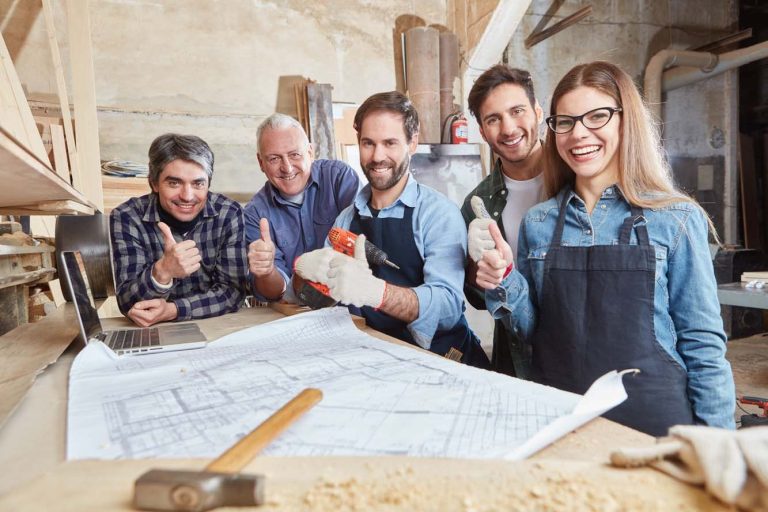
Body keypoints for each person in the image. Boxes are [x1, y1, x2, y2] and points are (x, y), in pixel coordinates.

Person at [469, 61, 735, 435]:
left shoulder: (675, 218)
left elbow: (703, 345)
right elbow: (532, 331)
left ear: (625, 121)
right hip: (561, 420)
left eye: (597, 117)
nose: (579, 134)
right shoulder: (539, 223)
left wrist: (719, 444)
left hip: (656, 426)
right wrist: (503, 278)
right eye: (566, 122)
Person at [295, 91, 490, 369]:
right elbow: (317, 301)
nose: (377, 156)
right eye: (368, 143)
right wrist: (304, 275)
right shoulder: (345, 220)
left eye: (390, 143)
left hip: (443, 361)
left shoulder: (437, 214)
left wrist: (376, 292)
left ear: (412, 143)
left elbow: (447, 307)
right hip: (378, 360)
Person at [110, 133, 249, 327]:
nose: (187, 196)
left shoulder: (229, 213)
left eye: (198, 183)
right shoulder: (127, 217)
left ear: (208, 183)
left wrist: (172, 310)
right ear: (154, 183)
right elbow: (129, 303)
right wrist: (163, 271)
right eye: (174, 183)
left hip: (217, 325)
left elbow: (232, 293)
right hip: (154, 333)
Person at [461, 65, 545, 378]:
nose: (508, 128)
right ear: (482, 132)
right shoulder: (477, 203)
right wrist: (475, 270)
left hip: (579, 352)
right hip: (516, 357)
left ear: (537, 111)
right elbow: (477, 299)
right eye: (493, 119)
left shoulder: (578, 180)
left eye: (517, 111)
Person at [244, 114, 359, 302]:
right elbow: (275, 292)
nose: (287, 168)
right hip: (298, 312)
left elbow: (362, 244)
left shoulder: (339, 178)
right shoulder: (254, 215)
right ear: (261, 163)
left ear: (310, 152)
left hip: (351, 301)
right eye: (274, 159)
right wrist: (266, 272)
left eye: (294, 154)